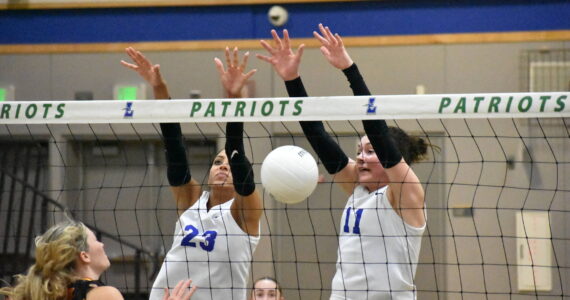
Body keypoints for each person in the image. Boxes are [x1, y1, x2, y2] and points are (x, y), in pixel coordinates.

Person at [257, 25, 428, 299]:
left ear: (392, 159)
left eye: (370, 152)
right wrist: (292, 80)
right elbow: (317, 135)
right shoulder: (358, 189)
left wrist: (349, 69)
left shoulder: (405, 194)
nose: (360, 156)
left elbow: (379, 132)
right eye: (359, 150)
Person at [121, 46, 262, 300]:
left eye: (229, 164)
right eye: (218, 161)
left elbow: (236, 150)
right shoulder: (192, 200)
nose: (223, 166)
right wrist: (160, 90)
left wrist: (234, 97)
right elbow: (175, 152)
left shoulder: (244, 213)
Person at [0, 220, 196, 300]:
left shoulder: (51, 293)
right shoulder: (103, 295)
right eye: (95, 240)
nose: (102, 245)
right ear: (84, 255)